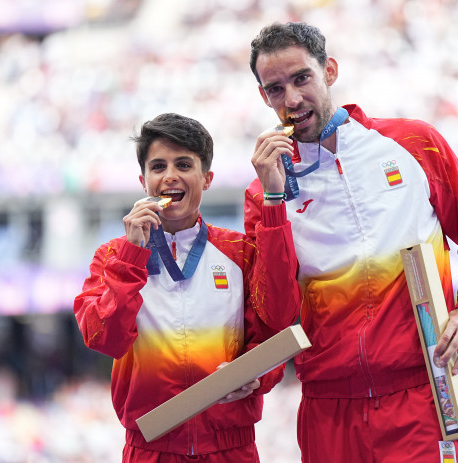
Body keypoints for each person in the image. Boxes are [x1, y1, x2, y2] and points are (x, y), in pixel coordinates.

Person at [244, 22, 458, 462]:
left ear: (329, 71)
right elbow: (276, 314)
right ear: (263, 97)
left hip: (421, 395)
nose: (291, 100)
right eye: (275, 89)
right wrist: (273, 200)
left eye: (302, 78)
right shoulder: (262, 193)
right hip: (328, 410)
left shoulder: (414, 143)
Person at [73, 113, 300, 462]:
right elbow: (105, 339)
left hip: (231, 447)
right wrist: (133, 257)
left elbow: (273, 326)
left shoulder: (238, 251)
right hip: (150, 447)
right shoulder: (112, 257)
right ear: (143, 179)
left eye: (183, 164)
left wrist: (258, 376)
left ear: (206, 178)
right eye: (158, 166)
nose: (170, 176)